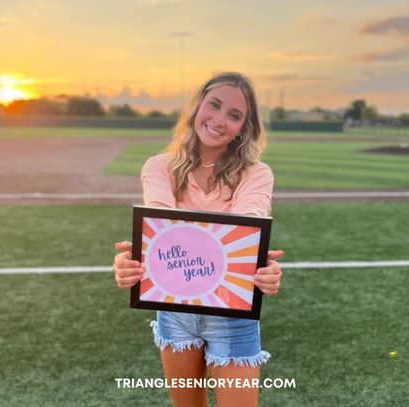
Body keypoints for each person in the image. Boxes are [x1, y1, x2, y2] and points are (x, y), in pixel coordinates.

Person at [114, 72, 283, 407]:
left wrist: (261, 264)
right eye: (214, 105)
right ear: (198, 106)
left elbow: (248, 224)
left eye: (234, 115)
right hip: (175, 313)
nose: (220, 120)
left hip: (232, 315)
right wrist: (134, 259)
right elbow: (158, 220)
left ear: (243, 129)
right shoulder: (159, 167)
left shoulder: (256, 173)